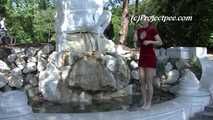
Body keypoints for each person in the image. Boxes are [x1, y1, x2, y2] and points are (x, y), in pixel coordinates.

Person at [134, 19, 163, 110]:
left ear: (148, 20)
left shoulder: (152, 29)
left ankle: (149, 103)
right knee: (142, 82)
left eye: (144, 18)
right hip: (142, 57)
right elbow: (135, 41)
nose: (142, 19)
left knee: (149, 81)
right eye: (141, 18)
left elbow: (160, 42)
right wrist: (135, 30)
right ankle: (144, 102)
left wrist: (150, 42)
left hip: (150, 57)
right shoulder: (139, 30)